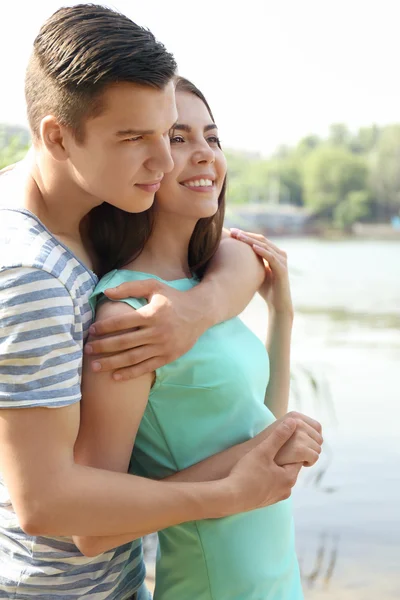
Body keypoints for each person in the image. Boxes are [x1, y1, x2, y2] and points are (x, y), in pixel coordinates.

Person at [0, 5, 321, 600]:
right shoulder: (35, 274)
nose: (170, 158)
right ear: (56, 136)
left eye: (168, 131)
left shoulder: (82, 207)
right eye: (140, 138)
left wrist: (206, 311)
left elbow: (234, 252)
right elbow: (48, 505)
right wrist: (230, 492)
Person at [74, 77, 323, 599]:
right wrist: (240, 476)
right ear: (144, 162)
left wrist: (282, 315)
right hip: (213, 582)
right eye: (179, 137)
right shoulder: (130, 314)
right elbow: (92, 528)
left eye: (212, 137)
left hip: (274, 577)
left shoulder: (203, 290)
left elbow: (259, 432)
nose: (205, 154)